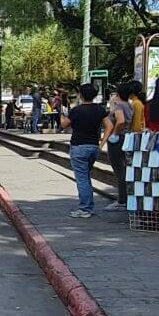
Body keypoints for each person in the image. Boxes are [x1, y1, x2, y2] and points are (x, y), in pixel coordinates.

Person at [61, 83, 109, 218]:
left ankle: (85, 208)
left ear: (81, 95)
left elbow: (64, 125)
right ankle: (87, 206)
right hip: (93, 146)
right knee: (86, 176)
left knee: (82, 179)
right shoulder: (100, 110)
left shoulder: (77, 110)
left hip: (79, 146)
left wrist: (62, 115)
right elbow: (109, 126)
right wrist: (102, 142)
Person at [101, 84, 134, 212]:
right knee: (123, 168)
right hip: (126, 137)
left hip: (118, 139)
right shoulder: (130, 105)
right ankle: (124, 198)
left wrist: (114, 134)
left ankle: (122, 200)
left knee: (119, 169)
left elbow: (120, 121)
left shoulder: (119, 106)